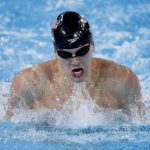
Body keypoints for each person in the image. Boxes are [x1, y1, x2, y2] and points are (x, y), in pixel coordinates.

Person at [6, 11, 143, 119]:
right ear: (55, 53)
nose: (75, 61)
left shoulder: (123, 82)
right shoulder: (28, 84)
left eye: (82, 51)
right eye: (65, 54)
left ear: (93, 46)